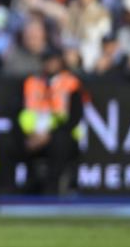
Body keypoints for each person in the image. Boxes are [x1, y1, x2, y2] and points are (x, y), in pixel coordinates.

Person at [17, 48, 86, 194]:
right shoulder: (32, 82)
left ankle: (52, 188)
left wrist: (48, 135)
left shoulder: (71, 83)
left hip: (61, 134)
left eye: (54, 61)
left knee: (60, 143)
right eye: (47, 61)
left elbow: (75, 117)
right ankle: (14, 188)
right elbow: (21, 112)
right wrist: (31, 135)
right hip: (34, 134)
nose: (50, 64)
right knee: (10, 142)